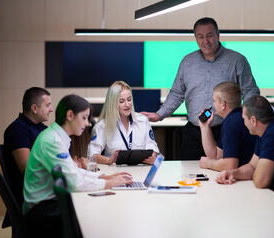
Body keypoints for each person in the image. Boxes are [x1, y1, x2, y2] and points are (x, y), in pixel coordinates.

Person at [142, 17, 259, 160]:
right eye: (201, 37)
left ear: (218, 35)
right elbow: (177, 93)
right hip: (194, 132)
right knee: (189, 176)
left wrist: (244, 118)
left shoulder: (237, 60)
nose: (206, 41)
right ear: (196, 38)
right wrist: (160, 114)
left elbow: (250, 92)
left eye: (210, 36)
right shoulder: (187, 61)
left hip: (226, 130)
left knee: (223, 174)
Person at [23, 94, 132, 238]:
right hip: (41, 212)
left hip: (47, 205)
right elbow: (74, 182)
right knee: (93, 218)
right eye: (84, 117)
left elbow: (74, 172)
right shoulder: (52, 142)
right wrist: (109, 183)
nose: (87, 124)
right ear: (70, 115)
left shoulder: (55, 136)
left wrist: (104, 176)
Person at [3, 87, 53, 210]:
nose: (51, 109)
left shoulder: (41, 128)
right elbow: (26, 167)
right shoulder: (18, 129)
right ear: (34, 108)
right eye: (48, 105)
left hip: (43, 190)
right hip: (34, 198)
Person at [88, 81, 160, 165]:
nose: (127, 104)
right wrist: (109, 160)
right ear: (112, 104)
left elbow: (152, 146)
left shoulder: (142, 121)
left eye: (129, 99)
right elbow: (92, 155)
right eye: (121, 101)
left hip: (141, 170)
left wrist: (153, 156)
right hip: (115, 173)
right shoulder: (102, 126)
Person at [198, 82, 256, 171]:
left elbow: (230, 166)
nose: (213, 104)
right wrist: (204, 127)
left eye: (214, 101)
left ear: (223, 105)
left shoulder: (231, 123)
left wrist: (208, 163)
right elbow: (216, 156)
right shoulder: (236, 117)